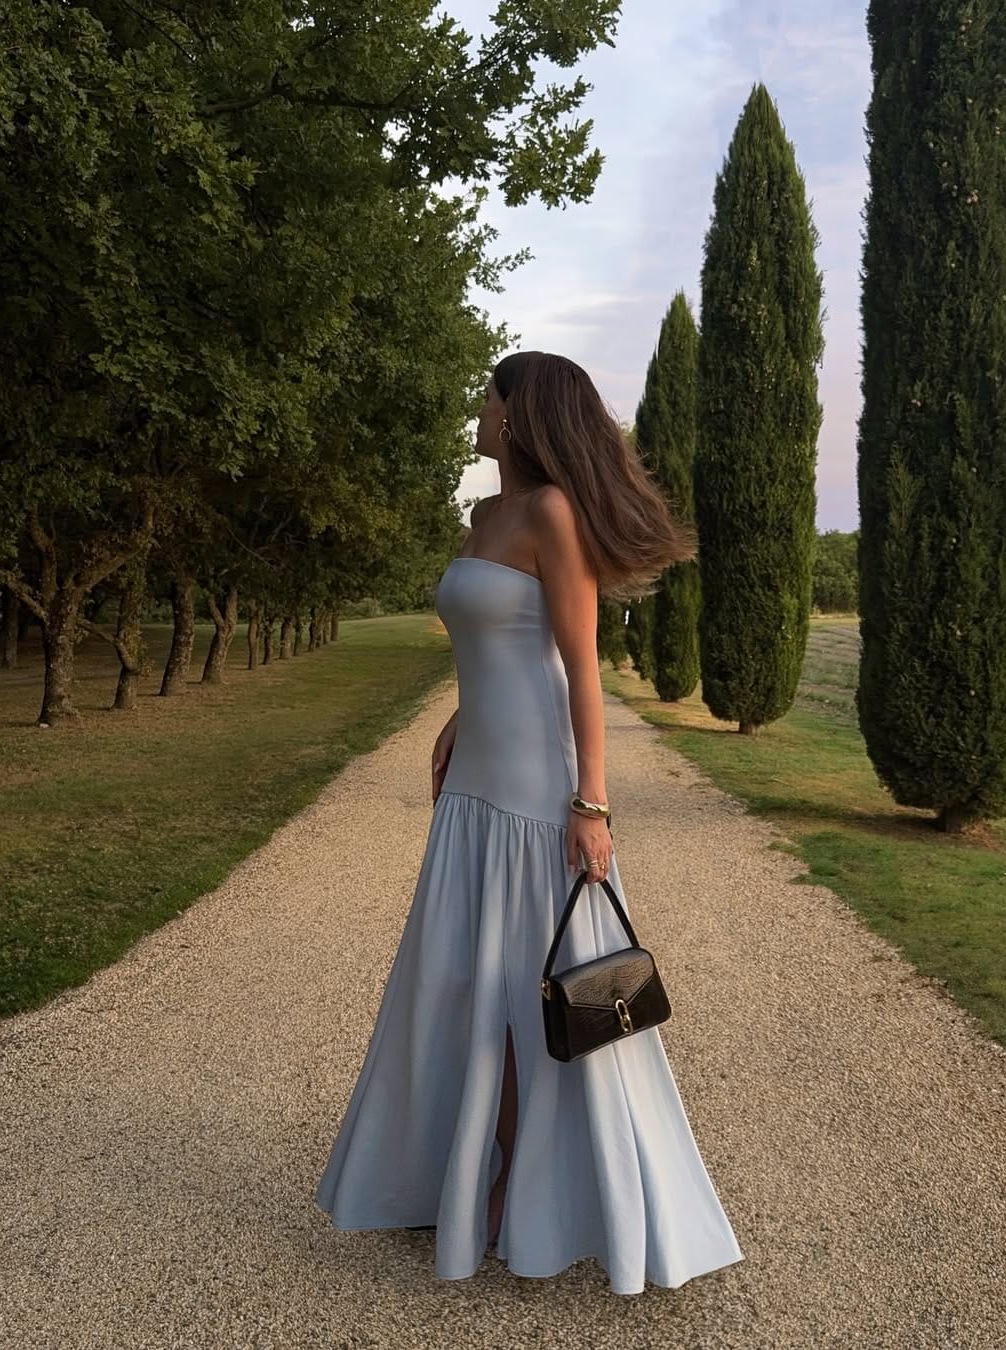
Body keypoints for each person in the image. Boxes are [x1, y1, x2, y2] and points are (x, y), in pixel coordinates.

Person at [314, 351, 744, 1295]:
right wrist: (464, 715)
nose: (478, 407)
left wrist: (591, 804)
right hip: (474, 785)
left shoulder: (552, 513)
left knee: (549, 997)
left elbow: (578, 669)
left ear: (518, 414)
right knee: (467, 990)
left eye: (488, 395)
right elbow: (495, 643)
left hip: (538, 795)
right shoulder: (482, 516)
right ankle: (476, 1177)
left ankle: (557, 1199)